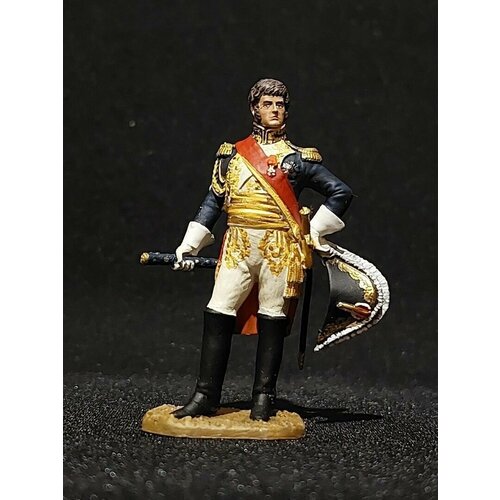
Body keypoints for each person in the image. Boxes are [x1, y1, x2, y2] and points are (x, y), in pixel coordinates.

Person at [171, 78, 353, 421]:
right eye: (268, 104)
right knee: (218, 311)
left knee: (272, 318)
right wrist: (189, 244)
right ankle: (205, 396)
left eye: (280, 105)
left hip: (278, 249)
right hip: (238, 245)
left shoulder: (299, 160)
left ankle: (263, 398)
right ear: (254, 108)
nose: (275, 110)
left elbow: (340, 192)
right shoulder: (232, 155)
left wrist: (312, 231)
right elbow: (213, 202)